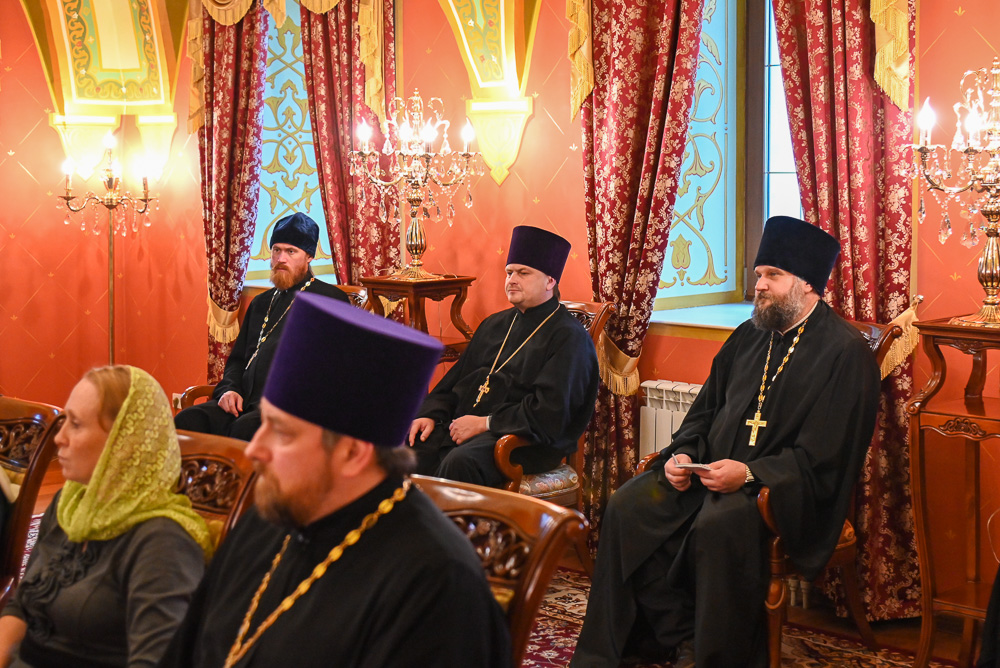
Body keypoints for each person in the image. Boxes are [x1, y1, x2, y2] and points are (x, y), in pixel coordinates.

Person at [571, 216, 881, 668]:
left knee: (716, 525)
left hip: (776, 491)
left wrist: (750, 473)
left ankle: (714, 655)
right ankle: (655, 641)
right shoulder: (749, 335)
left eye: (773, 275)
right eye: (758, 274)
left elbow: (828, 456)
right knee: (629, 505)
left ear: (808, 285)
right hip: (709, 473)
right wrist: (683, 453)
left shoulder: (845, 352)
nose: (760, 285)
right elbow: (704, 411)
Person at [159, 293, 511, 668]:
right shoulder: (267, 516)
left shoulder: (438, 587)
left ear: (352, 453)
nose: (254, 450)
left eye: (281, 432)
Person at [0, 366, 213, 668]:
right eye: (63, 421)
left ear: (124, 442)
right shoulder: (69, 504)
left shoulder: (164, 543)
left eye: (75, 425)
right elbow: (21, 607)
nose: (59, 438)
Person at [408, 225, 600, 488]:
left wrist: (485, 423)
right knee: (408, 444)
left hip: (524, 441)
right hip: (468, 427)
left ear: (550, 282)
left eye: (523, 273)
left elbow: (550, 413)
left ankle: (452, 517)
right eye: (509, 272)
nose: (512, 280)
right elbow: (454, 384)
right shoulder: (494, 324)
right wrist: (429, 414)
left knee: (461, 462)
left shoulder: (569, 337)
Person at [174, 212, 350, 440]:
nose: (281, 259)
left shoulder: (330, 300)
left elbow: (334, 371)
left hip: (289, 410)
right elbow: (237, 360)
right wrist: (230, 389)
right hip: (243, 402)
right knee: (188, 420)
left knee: (244, 430)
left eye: (291, 251)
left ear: (309, 256)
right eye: (276, 250)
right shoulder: (261, 302)